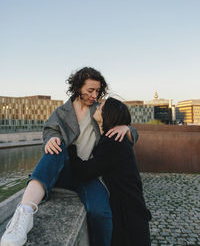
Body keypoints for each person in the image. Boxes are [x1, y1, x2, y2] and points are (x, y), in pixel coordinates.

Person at [1, 67, 136, 246]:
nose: (94, 95)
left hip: (91, 174)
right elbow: (49, 131)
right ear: (78, 87)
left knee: (101, 214)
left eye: (97, 91)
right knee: (55, 149)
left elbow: (130, 129)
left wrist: (127, 128)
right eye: (90, 90)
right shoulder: (60, 113)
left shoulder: (100, 110)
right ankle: (24, 213)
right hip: (65, 170)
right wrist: (51, 139)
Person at [68, 97, 152, 246]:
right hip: (130, 210)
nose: (98, 107)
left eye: (101, 107)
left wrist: (71, 147)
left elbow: (85, 171)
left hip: (128, 216)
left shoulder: (113, 141)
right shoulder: (114, 139)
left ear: (108, 115)